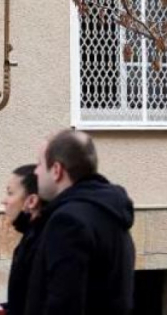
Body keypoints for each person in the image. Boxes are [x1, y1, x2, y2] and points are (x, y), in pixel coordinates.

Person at [24, 129, 135, 315]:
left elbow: (63, 303)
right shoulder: (110, 211)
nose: (36, 171)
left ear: (57, 170)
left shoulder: (68, 221)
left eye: (40, 164)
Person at [0, 164, 45, 315]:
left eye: (10, 193)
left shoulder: (41, 241)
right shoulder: (31, 236)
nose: (4, 201)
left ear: (31, 201)